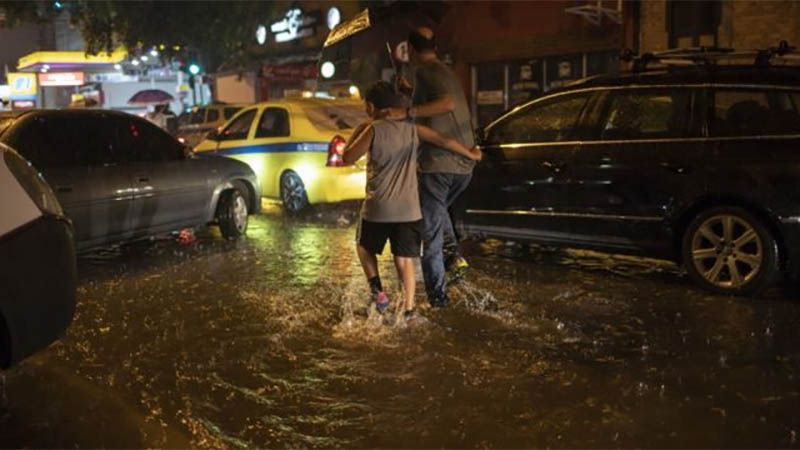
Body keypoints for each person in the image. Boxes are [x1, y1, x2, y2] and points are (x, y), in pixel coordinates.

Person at [342, 81, 480, 317]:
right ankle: (409, 310)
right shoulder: (412, 129)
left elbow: (348, 157)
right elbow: (442, 140)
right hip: (409, 211)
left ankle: (378, 291)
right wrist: (470, 153)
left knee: (364, 246)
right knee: (405, 259)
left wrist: (358, 132)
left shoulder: (372, 129)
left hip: (379, 208)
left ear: (370, 106)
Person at [399, 26, 477, 308]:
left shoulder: (423, 71)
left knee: (429, 234)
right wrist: (411, 94)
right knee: (438, 209)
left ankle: (438, 300)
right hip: (463, 166)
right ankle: (454, 259)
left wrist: (409, 111)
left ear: (411, 48)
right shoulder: (445, 71)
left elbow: (446, 103)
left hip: (439, 164)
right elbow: (441, 100)